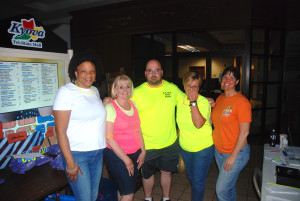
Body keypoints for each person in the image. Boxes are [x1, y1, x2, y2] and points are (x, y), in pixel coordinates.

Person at [53, 52, 109, 201]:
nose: (88, 75)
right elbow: (60, 130)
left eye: (92, 71)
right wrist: (70, 163)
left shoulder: (95, 91)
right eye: (83, 71)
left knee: (93, 196)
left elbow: (91, 116)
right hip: (78, 155)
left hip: (97, 154)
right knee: (84, 198)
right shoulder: (66, 92)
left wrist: (104, 106)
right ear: (75, 72)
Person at [131, 59, 185, 201]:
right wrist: (109, 101)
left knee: (166, 173)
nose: (153, 74)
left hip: (169, 143)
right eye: (150, 70)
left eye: (156, 70)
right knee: (147, 175)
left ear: (161, 72)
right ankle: (148, 198)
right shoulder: (136, 92)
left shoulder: (172, 89)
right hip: (146, 146)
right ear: (145, 73)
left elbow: (187, 101)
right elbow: (121, 107)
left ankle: (166, 198)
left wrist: (204, 101)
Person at [211, 67, 252, 201]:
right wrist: (208, 105)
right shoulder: (220, 99)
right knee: (229, 186)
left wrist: (233, 156)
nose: (227, 80)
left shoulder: (242, 102)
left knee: (221, 189)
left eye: (231, 78)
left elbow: (245, 132)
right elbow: (214, 121)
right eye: (225, 77)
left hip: (236, 153)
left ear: (237, 81)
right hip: (219, 151)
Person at [104, 75, 146, 201]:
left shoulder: (134, 105)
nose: (125, 90)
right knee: (129, 194)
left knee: (123, 190)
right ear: (115, 89)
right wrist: (127, 160)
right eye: (121, 87)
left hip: (135, 153)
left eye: (128, 86)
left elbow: (138, 129)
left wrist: (143, 151)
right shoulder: (110, 107)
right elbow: (109, 138)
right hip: (117, 156)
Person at [176, 71, 214, 201]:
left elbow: (198, 124)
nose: (191, 89)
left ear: (199, 87)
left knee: (198, 181)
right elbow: (180, 125)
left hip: (202, 148)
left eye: (195, 86)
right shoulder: (180, 102)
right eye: (188, 85)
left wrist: (193, 102)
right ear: (183, 85)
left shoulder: (203, 102)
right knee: (191, 177)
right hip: (186, 148)